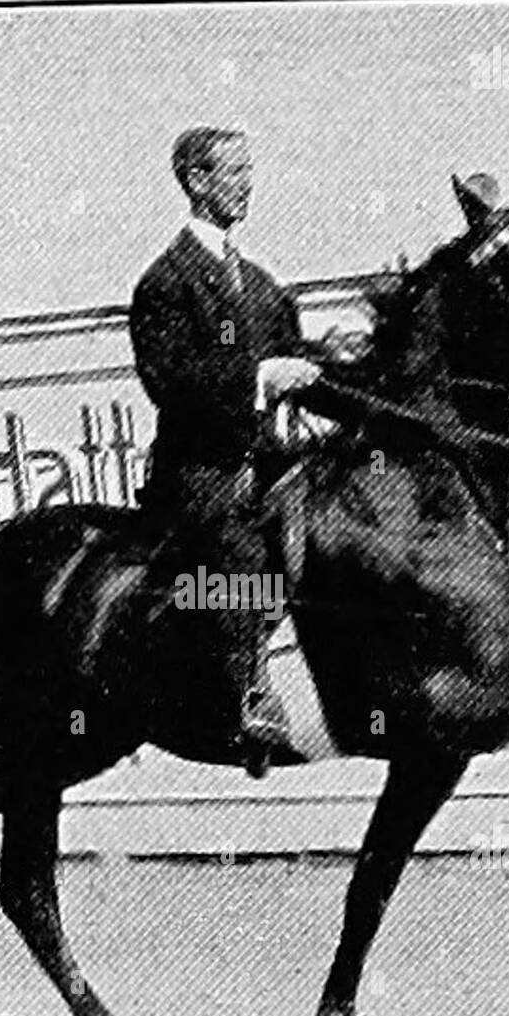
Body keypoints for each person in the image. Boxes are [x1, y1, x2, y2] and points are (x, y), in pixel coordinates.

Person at [128, 126, 322, 776]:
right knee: (239, 550)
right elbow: (173, 385)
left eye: (250, 169)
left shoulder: (266, 288)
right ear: (196, 181)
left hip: (270, 463)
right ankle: (248, 701)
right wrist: (261, 380)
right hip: (200, 475)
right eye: (232, 171)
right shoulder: (164, 284)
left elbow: (305, 373)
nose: (247, 182)